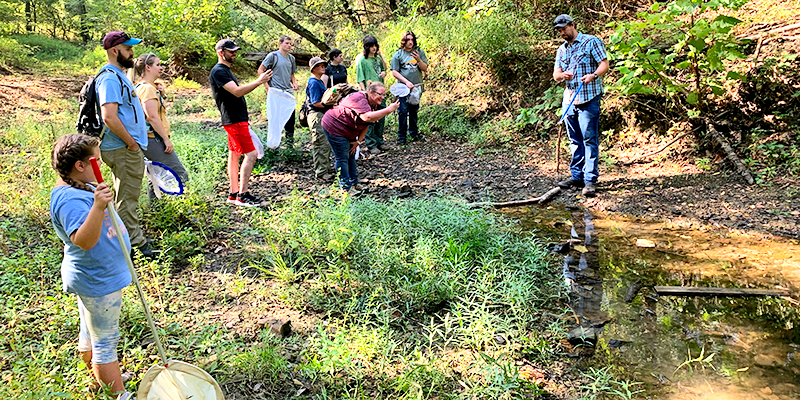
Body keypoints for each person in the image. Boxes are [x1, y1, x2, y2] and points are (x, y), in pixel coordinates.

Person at [50, 134, 134, 400]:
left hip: (98, 276)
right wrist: (98, 206)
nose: (101, 164)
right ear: (80, 165)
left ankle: (97, 377)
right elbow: (83, 240)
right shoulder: (70, 200)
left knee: (90, 330)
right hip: (97, 279)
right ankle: (118, 395)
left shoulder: (80, 185)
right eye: (96, 160)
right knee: (105, 340)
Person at [96, 31, 153, 257]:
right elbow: (109, 116)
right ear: (114, 51)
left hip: (123, 147)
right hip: (122, 148)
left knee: (125, 194)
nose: (132, 53)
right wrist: (131, 143)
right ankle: (133, 245)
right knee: (128, 198)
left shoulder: (117, 75)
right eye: (128, 49)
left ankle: (124, 238)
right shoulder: (110, 77)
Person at [210, 39, 271, 207]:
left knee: (234, 155)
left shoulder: (226, 70)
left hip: (236, 119)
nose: (234, 53)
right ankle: (243, 195)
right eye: (231, 51)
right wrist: (259, 81)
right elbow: (236, 92)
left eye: (235, 51)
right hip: (234, 120)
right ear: (221, 52)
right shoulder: (219, 71)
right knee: (251, 155)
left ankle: (233, 192)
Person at [552, 14, 609, 197]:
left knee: (589, 139)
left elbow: (604, 64)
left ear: (572, 25)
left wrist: (594, 75)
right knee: (575, 140)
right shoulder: (561, 50)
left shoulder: (591, 42)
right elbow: (556, 74)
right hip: (569, 100)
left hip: (589, 98)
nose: (562, 33)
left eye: (564, 29)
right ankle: (576, 176)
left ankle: (590, 180)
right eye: (559, 31)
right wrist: (563, 76)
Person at [129, 53, 189, 198]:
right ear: (148, 67)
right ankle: (183, 209)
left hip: (149, 139)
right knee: (180, 174)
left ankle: (156, 211)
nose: (161, 68)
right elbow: (152, 117)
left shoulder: (146, 87)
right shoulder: (147, 89)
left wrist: (161, 94)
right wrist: (165, 139)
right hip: (153, 139)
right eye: (158, 65)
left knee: (155, 175)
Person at [321, 82, 399, 191]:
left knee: (351, 155)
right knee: (342, 157)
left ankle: (354, 183)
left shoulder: (372, 103)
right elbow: (367, 117)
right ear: (371, 92)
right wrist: (389, 110)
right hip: (335, 127)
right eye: (380, 94)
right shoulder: (359, 99)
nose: (382, 97)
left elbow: (368, 123)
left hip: (349, 129)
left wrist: (358, 141)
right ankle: (346, 187)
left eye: (384, 95)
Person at [258, 35, 298, 148]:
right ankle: (274, 146)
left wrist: (294, 83)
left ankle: (289, 145)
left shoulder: (291, 58)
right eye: (286, 43)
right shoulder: (273, 56)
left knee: (290, 119)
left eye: (290, 43)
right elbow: (260, 70)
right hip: (275, 92)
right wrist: (266, 86)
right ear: (280, 43)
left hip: (287, 93)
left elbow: (291, 73)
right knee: (275, 119)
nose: (289, 45)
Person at [390, 30, 428, 145]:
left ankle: (414, 133)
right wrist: (406, 82)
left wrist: (418, 60)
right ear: (404, 41)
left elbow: (425, 68)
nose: (410, 42)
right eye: (408, 40)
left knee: (413, 110)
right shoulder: (398, 54)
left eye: (412, 40)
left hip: (416, 87)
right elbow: (394, 71)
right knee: (402, 111)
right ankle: (402, 136)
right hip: (403, 88)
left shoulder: (419, 52)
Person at [355, 35, 389, 154]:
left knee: (381, 117)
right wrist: (364, 92)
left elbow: (384, 69)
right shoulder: (362, 60)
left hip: (380, 91)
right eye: (371, 46)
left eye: (375, 45)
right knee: (370, 119)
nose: (374, 48)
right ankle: (371, 144)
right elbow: (360, 77)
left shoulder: (378, 59)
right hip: (370, 93)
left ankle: (380, 141)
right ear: (366, 47)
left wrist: (384, 72)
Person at [306, 56, 334, 181]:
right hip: (316, 115)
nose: (323, 67)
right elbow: (316, 102)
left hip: (322, 114)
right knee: (320, 143)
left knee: (326, 143)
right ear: (314, 68)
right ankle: (321, 172)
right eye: (319, 65)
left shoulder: (319, 81)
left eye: (323, 65)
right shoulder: (313, 83)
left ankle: (326, 168)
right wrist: (331, 103)